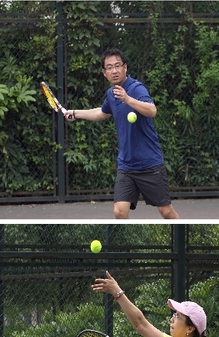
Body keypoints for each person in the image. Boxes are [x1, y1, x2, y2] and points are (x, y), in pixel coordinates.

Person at [65, 48, 179, 219]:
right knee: (119, 211)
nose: (114, 70)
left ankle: (181, 235)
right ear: (104, 73)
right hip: (126, 165)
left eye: (117, 65)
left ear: (125, 67)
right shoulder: (111, 94)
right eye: (109, 67)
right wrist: (75, 113)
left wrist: (128, 99)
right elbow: (102, 112)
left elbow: (152, 110)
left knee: (166, 211)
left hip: (149, 163)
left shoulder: (136, 88)